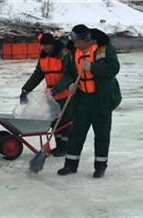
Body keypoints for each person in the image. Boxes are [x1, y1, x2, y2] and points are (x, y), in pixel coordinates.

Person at [56, 24, 122, 178]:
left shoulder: (104, 49)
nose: (74, 44)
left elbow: (113, 68)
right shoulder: (72, 52)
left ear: (86, 40)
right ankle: (70, 165)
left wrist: (93, 67)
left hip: (102, 99)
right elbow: (67, 74)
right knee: (76, 133)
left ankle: (100, 166)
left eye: (77, 41)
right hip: (82, 99)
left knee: (102, 134)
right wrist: (70, 84)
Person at [19, 33, 73, 157]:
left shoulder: (63, 55)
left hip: (64, 93)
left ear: (53, 44)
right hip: (50, 95)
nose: (45, 47)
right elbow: (38, 74)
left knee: (65, 121)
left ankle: (65, 148)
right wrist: (25, 89)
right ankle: (58, 145)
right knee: (54, 122)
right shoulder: (43, 57)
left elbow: (68, 75)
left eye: (47, 45)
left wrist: (57, 89)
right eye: (43, 45)